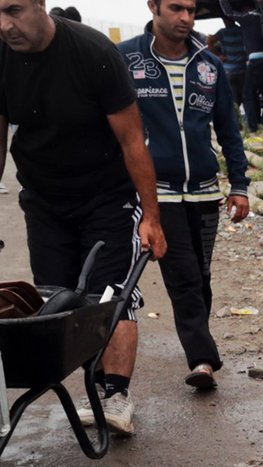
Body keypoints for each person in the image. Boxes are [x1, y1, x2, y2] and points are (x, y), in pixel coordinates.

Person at [0, 0, 167, 434]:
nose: (5, 25)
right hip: (44, 201)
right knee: (56, 301)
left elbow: (133, 141)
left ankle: (117, 396)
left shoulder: (93, 53)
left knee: (110, 295)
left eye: (13, 10)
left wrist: (151, 217)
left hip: (106, 198)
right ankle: (92, 382)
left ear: (39, 4)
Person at [119, 0, 249, 389]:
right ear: (153, 7)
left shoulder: (210, 66)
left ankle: (197, 340)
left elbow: (229, 129)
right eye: (176, 8)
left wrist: (239, 185)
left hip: (205, 192)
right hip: (158, 193)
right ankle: (203, 359)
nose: (186, 18)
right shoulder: (126, 59)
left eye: (191, 10)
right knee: (184, 277)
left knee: (201, 274)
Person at [217, 0, 263, 132]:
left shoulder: (247, 18)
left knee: (248, 94)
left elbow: (228, 12)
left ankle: (254, 127)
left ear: (245, 9)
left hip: (256, 59)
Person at [212, 17, 246, 115]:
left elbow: (209, 40)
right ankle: (250, 123)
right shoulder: (241, 30)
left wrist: (217, 56)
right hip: (242, 69)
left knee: (233, 98)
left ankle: (236, 122)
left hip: (229, 70)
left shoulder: (222, 32)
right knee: (246, 97)